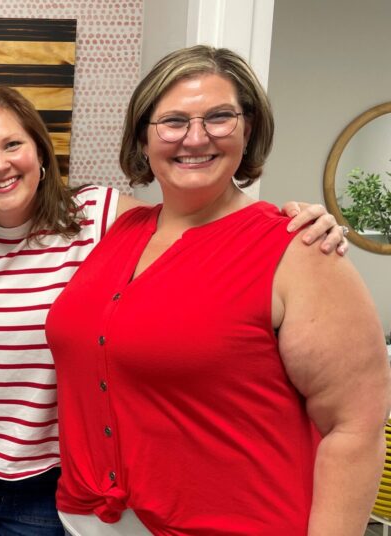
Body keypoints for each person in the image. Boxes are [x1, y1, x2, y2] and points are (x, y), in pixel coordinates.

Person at [0, 86, 349, 535]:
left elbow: (198, 224)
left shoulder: (95, 215)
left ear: (41, 153)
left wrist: (292, 223)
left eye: (13, 145)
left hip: (49, 478)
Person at [45, 45, 391, 535]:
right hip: (94, 517)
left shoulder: (300, 249)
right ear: (144, 138)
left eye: (219, 117)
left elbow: (354, 429)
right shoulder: (119, 231)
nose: (195, 137)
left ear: (248, 130)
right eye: (173, 121)